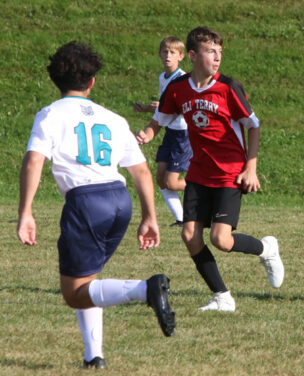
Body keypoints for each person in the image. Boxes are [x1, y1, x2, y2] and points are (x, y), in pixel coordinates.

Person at [17, 41, 176, 369]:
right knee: (89, 282)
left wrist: (26, 212)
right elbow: (141, 170)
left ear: (55, 80)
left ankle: (146, 290)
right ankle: (94, 357)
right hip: (120, 200)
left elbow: (34, 161)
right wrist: (150, 216)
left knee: (73, 292)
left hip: (87, 203)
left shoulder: (50, 114)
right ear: (92, 82)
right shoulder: (113, 118)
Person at [151, 26, 284, 312]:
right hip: (198, 172)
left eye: (220, 51)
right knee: (189, 236)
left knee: (221, 240)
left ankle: (266, 249)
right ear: (193, 55)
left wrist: (251, 168)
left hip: (229, 172)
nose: (217, 57)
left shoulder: (228, 87)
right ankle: (222, 296)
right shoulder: (178, 88)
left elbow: (253, 125)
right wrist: (146, 134)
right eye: (211, 51)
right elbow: (160, 117)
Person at [135, 36, 192, 227]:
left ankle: (205, 185)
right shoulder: (163, 77)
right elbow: (164, 108)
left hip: (183, 134)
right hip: (170, 131)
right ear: (159, 54)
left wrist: (163, 106)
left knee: (172, 182)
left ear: (181, 56)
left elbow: (187, 106)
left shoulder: (184, 79)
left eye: (173, 52)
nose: (168, 55)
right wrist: (146, 108)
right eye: (165, 52)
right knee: (160, 178)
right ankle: (181, 218)